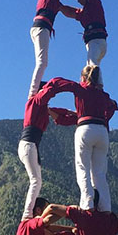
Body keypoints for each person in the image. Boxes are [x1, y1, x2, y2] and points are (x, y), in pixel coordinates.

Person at [42, 65, 118, 211]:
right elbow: (113, 106)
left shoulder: (80, 88)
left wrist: (46, 88)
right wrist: (104, 118)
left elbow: (59, 82)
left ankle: (87, 204)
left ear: (83, 77)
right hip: (102, 132)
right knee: (99, 173)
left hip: (85, 129)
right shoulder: (103, 95)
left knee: (83, 168)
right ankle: (105, 207)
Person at [19, 83, 77, 220]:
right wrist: (56, 86)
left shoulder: (42, 108)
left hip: (30, 145)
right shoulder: (34, 102)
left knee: (36, 180)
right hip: (29, 144)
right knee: (36, 181)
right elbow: (47, 96)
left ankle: (29, 213)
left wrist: (75, 113)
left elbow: (60, 114)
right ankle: (27, 215)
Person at [58, 0, 108, 66]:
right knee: (91, 65)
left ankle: (93, 74)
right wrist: (58, 5)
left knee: (92, 64)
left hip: (96, 41)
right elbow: (70, 12)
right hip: (93, 43)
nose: (77, 0)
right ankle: (95, 74)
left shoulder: (93, 1)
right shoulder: (85, 12)